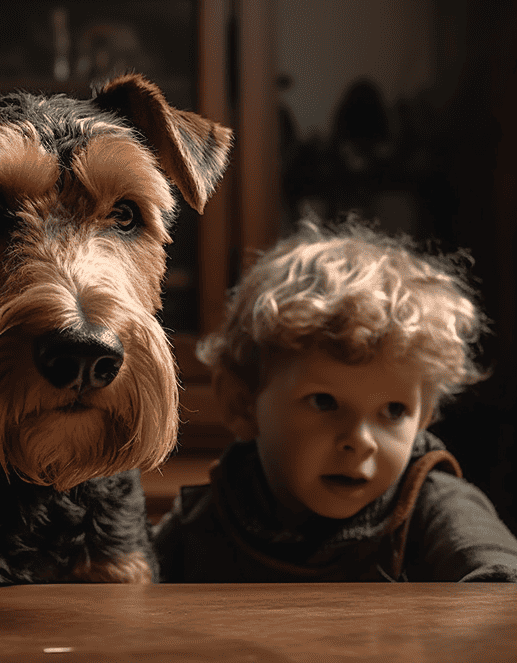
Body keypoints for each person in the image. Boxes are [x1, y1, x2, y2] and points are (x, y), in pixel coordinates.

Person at [154, 216, 517, 582]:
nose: (360, 442)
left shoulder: (435, 507)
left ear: (424, 417)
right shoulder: (209, 515)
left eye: (394, 411)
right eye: (325, 402)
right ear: (242, 405)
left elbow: (501, 588)